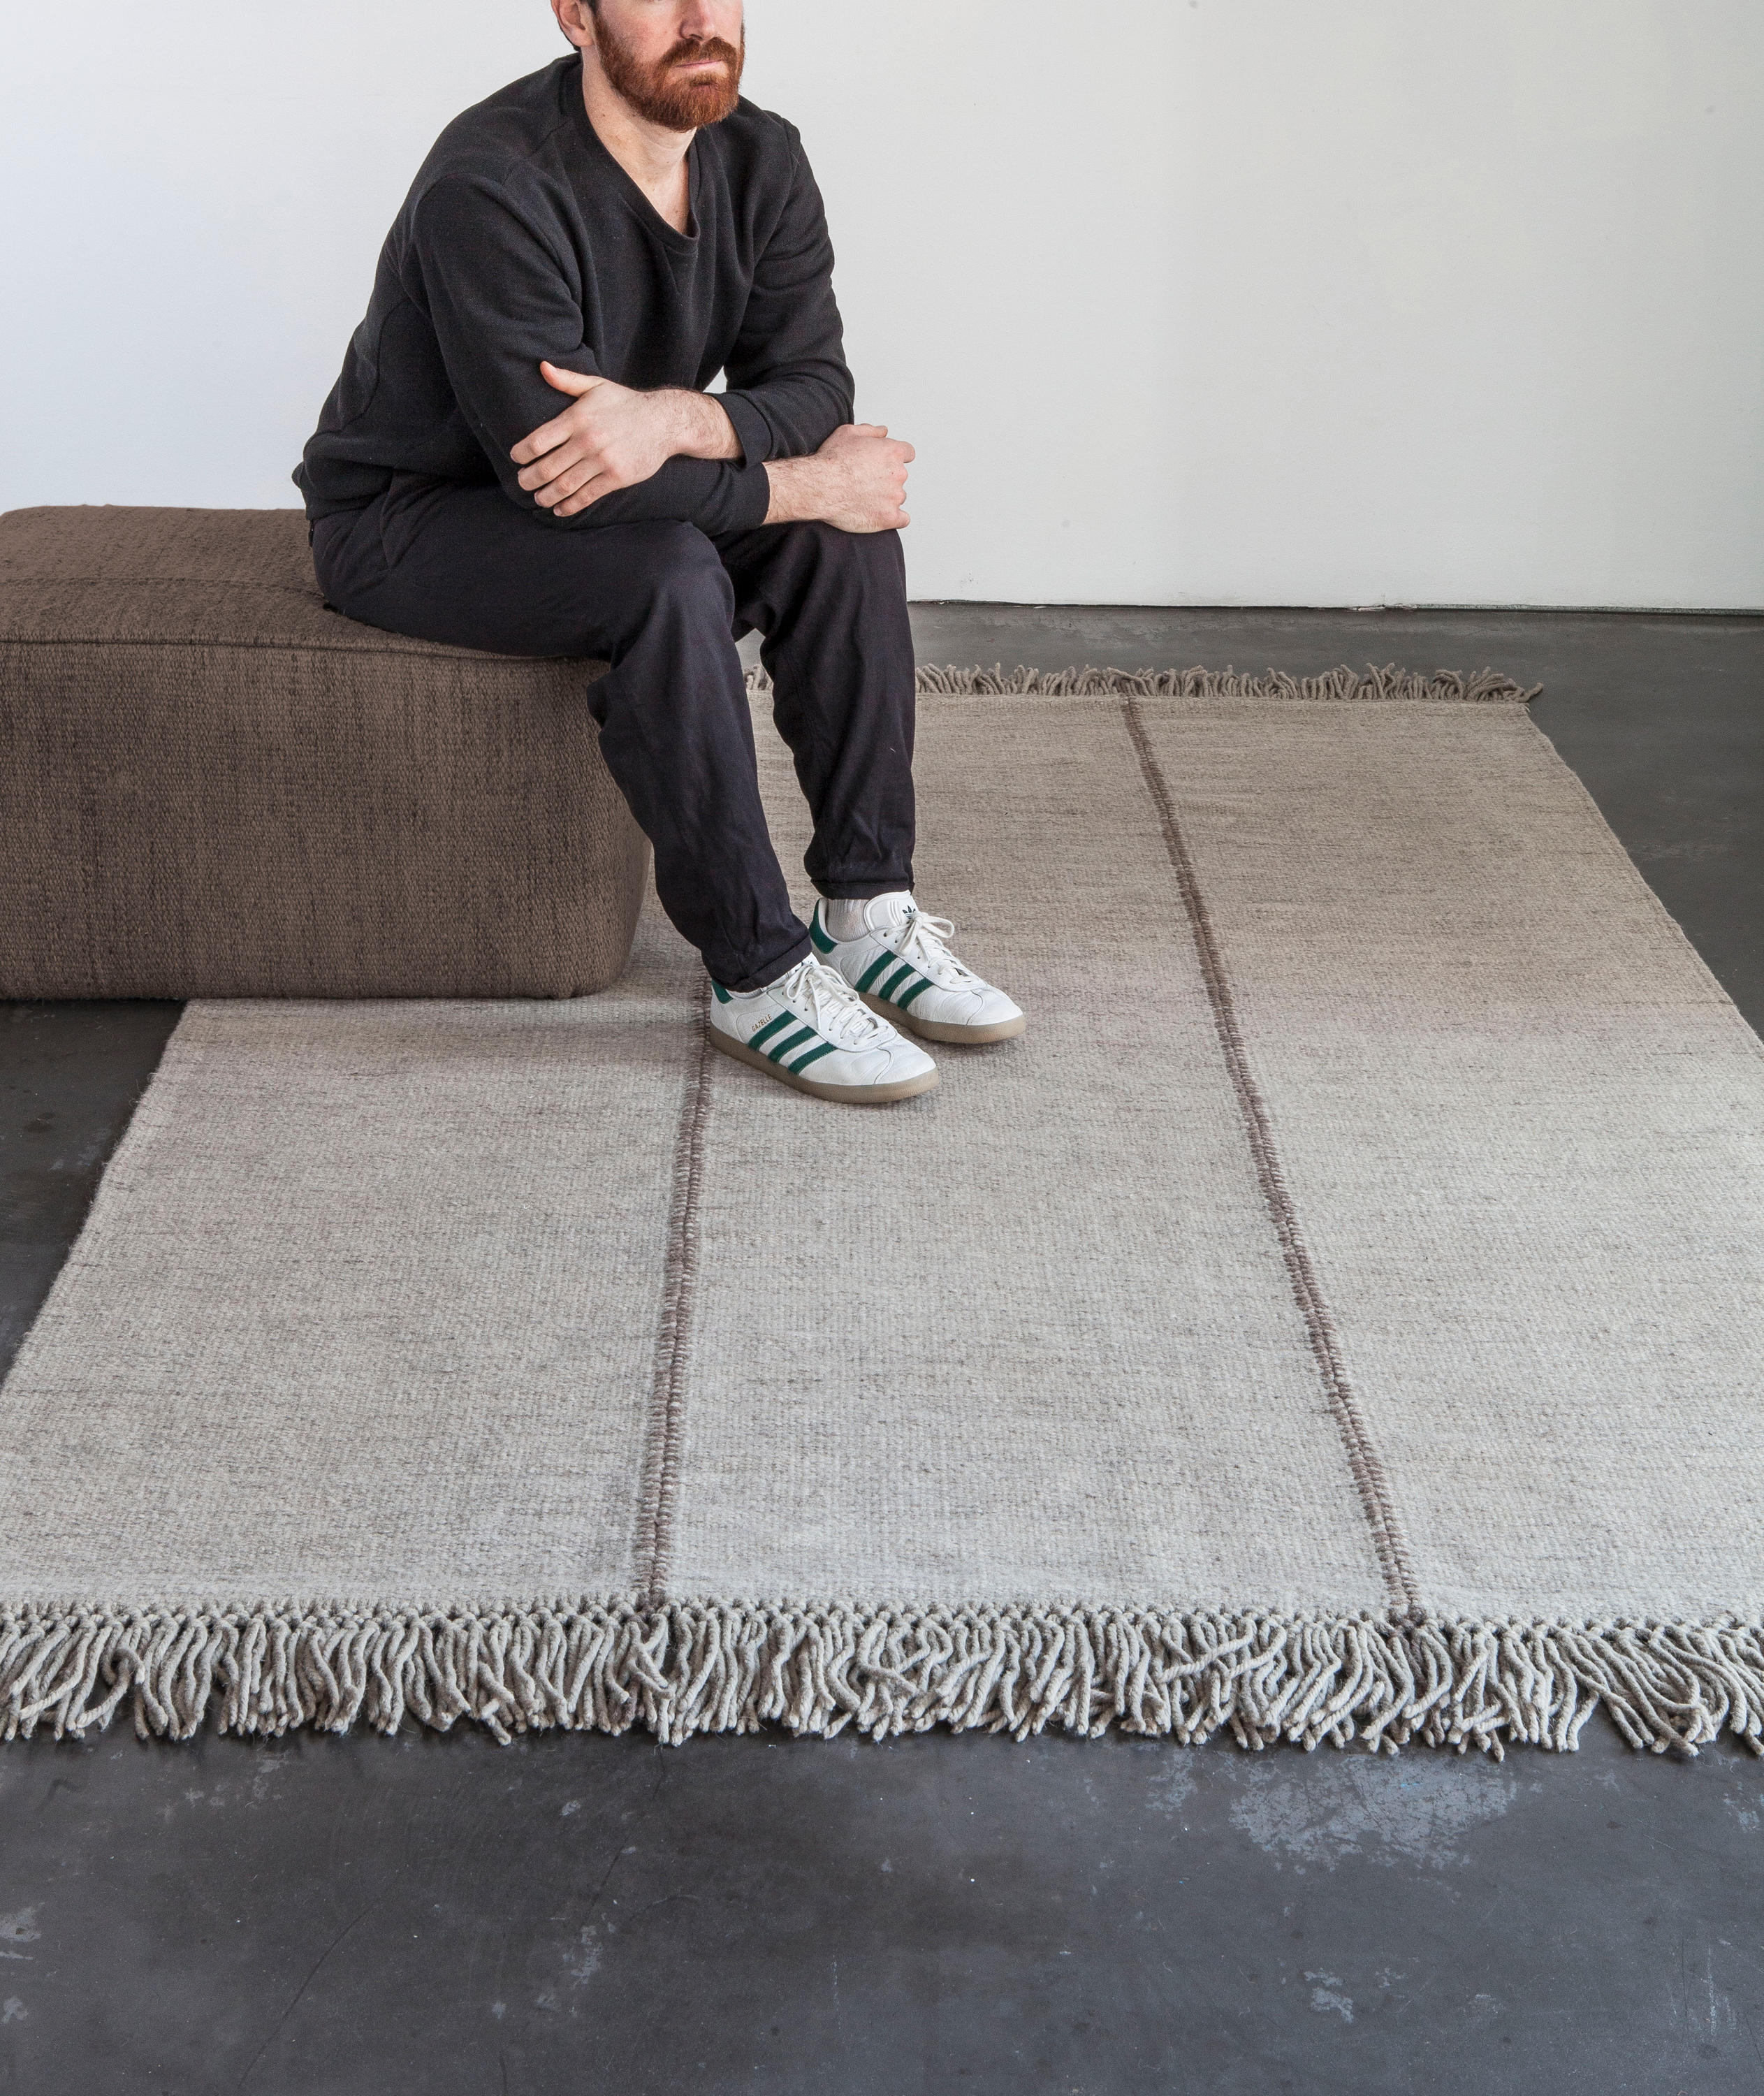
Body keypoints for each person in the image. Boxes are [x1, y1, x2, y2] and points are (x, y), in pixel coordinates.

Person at [294, 0, 1024, 1105]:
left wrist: (678, 419)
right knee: (676, 571)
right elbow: (560, 485)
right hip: (412, 518)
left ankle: (867, 911)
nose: (699, 20)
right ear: (576, 17)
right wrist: (801, 479)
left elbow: (815, 386)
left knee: (843, 538)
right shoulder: (490, 184)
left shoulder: (762, 156)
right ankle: (756, 973)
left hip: (624, 483)